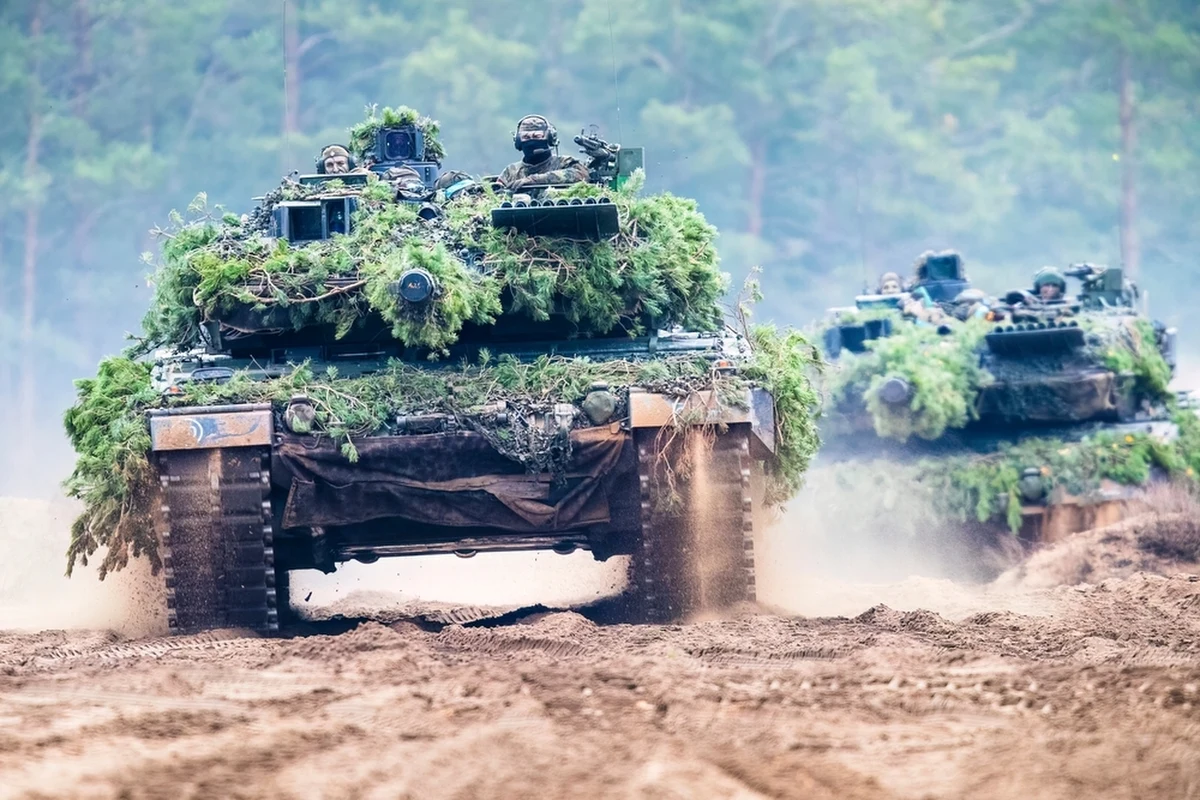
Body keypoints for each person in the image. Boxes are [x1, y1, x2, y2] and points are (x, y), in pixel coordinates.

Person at [498, 115, 589, 192]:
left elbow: (581, 175)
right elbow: (493, 193)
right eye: (526, 137)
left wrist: (534, 180)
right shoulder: (511, 171)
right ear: (518, 141)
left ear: (549, 139)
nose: (531, 141)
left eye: (537, 136)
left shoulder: (565, 163)